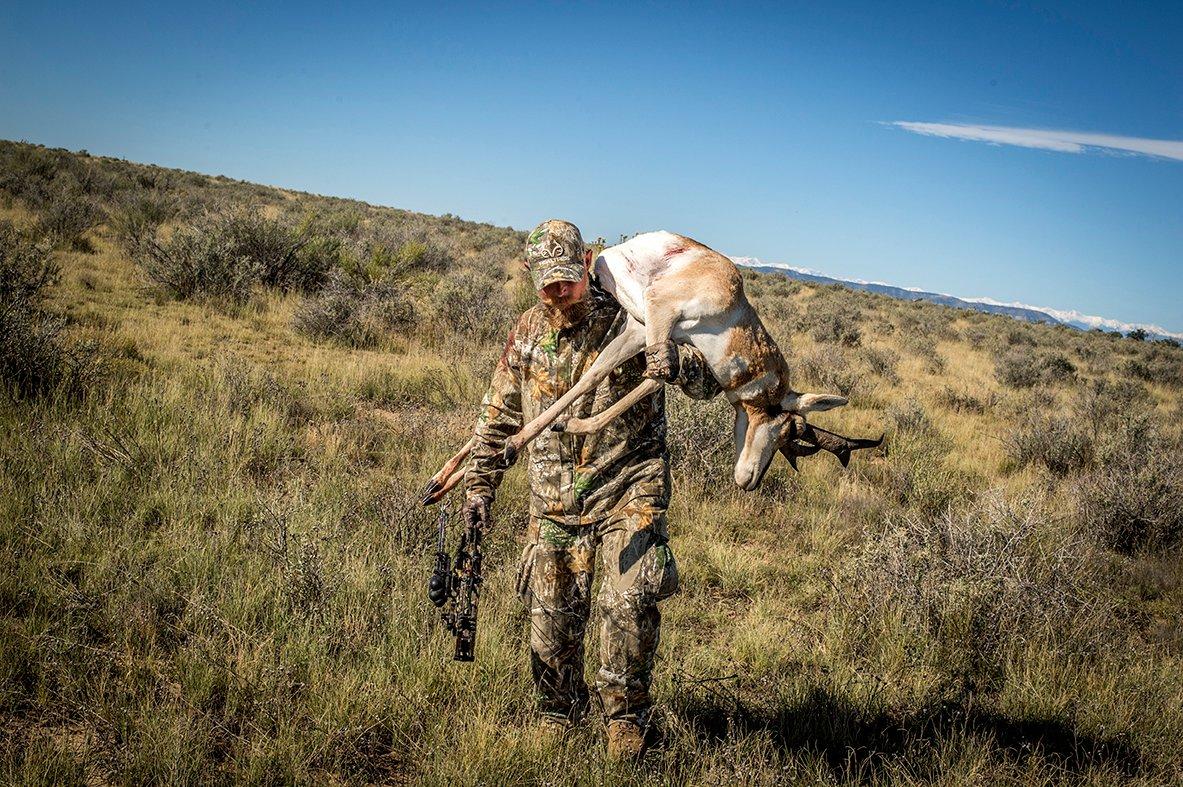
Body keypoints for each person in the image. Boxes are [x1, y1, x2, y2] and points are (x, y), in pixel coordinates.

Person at [461, 219, 721, 760]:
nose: (560, 292)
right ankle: (557, 711)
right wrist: (480, 488)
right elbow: (497, 420)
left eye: (568, 279)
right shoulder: (526, 335)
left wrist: (676, 364)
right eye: (548, 283)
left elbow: (707, 381)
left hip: (629, 485)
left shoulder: (636, 313)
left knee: (628, 599)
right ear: (532, 278)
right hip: (553, 500)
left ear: (587, 265)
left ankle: (625, 718)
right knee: (551, 617)